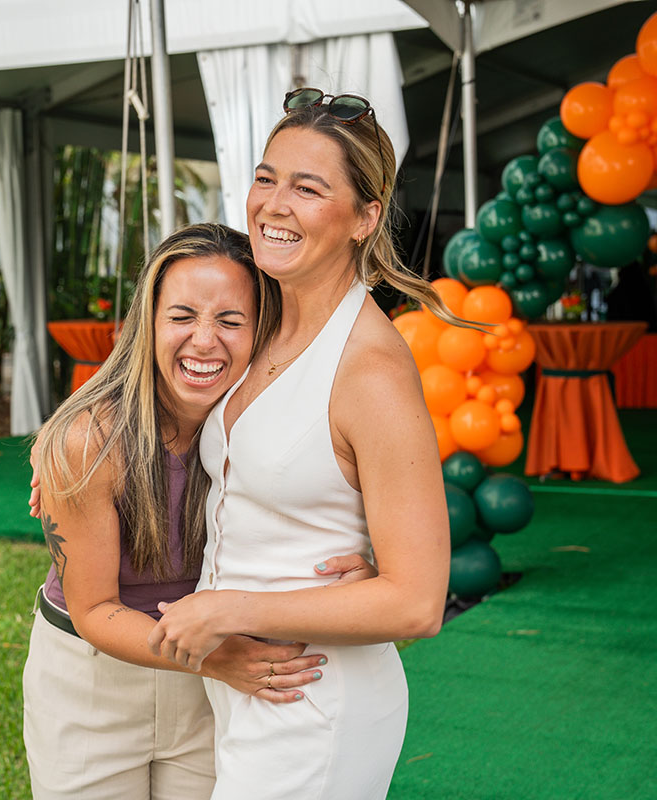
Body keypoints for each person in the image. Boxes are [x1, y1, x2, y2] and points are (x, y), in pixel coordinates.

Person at [147, 89, 452, 799]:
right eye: (265, 177)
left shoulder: (369, 370)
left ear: (365, 217)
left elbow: (416, 604)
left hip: (314, 698)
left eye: (308, 188)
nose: (272, 205)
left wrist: (232, 609)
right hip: (244, 689)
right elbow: (154, 355)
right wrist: (61, 439)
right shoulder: (260, 313)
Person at [24, 222, 375, 800]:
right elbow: (94, 610)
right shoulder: (91, 443)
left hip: (214, 677)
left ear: (263, 329)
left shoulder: (270, 428)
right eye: (182, 316)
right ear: (149, 324)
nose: (204, 341)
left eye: (231, 321)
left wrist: (361, 566)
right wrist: (216, 659)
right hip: (94, 677)